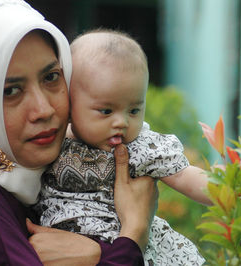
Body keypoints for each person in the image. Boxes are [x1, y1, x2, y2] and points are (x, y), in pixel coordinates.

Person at [0, 1, 158, 265]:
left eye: (51, 77)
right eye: (10, 91)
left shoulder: (30, 182)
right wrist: (133, 235)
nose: (44, 110)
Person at [36, 29, 209, 265]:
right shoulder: (52, 140)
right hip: (64, 249)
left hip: (122, 245)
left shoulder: (138, 147)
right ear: (69, 103)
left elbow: (185, 177)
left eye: (134, 110)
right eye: (106, 111)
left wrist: (231, 189)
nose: (122, 122)